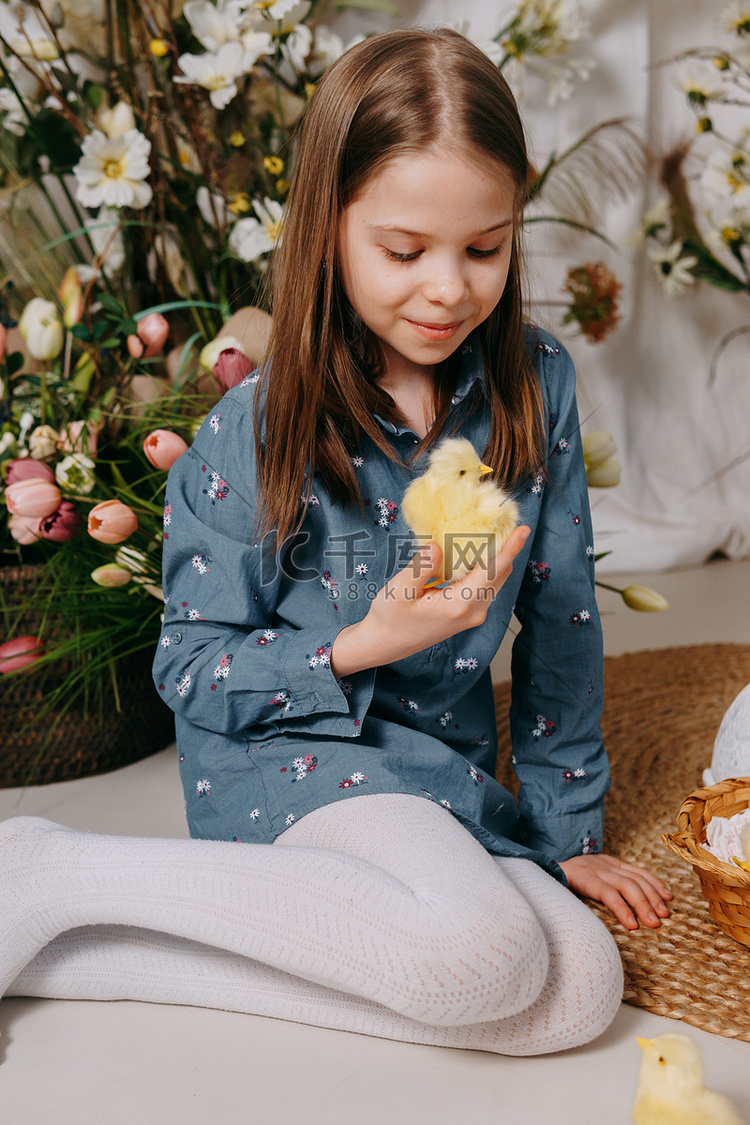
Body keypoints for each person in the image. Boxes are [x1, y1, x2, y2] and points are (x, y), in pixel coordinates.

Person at [2, 28, 672, 1056]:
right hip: (289, 761)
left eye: (484, 248)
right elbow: (189, 669)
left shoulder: (537, 385)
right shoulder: (254, 428)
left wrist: (564, 833)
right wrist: (364, 641)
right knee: (487, 959)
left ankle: (64, 941)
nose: (448, 287)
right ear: (329, 230)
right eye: (405, 252)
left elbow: (564, 616)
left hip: (436, 767)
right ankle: (54, 869)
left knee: (578, 991)